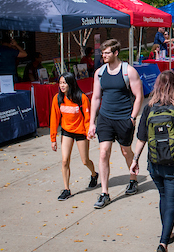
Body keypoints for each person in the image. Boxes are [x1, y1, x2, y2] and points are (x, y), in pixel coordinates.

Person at [130, 70, 174, 252]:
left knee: (163, 197)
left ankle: (167, 233)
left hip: (154, 163)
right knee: (172, 202)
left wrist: (135, 159)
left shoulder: (149, 108)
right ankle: (163, 242)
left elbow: (142, 136)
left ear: (157, 86)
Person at [88, 39, 144, 209]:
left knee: (126, 151)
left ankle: (133, 180)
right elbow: (96, 98)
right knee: (104, 153)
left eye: (107, 53)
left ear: (116, 53)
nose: (103, 55)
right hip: (105, 118)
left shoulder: (129, 71)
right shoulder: (99, 73)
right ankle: (105, 193)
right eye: (103, 52)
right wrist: (92, 122)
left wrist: (132, 118)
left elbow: (139, 96)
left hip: (123, 118)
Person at [50, 72, 98, 201]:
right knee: (65, 160)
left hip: (81, 132)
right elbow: (54, 119)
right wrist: (53, 139)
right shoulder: (57, 98)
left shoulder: (81, 98)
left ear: (71, 83)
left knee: (85, 160)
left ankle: (94, 174)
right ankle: (66, 189)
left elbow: (87, 118)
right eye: (60, 83)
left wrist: (89, 132)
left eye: (64, 83)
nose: (62, 85)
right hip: (66, 132)